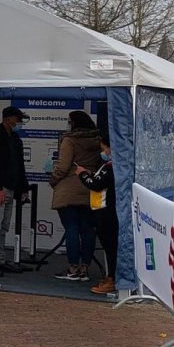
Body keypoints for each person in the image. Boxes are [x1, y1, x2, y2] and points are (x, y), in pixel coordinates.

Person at [50, 110, 103, 281]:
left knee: (71, 228)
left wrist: (53, 180)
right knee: (88, 230)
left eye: (69, 121)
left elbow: (63, 166)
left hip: (69, 189)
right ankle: (84, 268)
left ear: (74, 123)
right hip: (90, 187)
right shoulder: (97, 139)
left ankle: (72, 268)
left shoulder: (70, 140)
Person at [77, 134, 118, 294]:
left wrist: (82, 174)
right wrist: (90, 174)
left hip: (106, 212)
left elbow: (96, 184)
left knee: (110, 247)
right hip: (103, 210)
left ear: (110, 149)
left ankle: (112, 279)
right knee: (110, 247)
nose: (103, 152)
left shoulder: (110, 167)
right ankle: (111, 277)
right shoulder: (111, 166)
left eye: (103, 148)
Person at [0, 105, 29, 270]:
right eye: (17, 119)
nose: (19, 122)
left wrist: (23, 188)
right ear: (8, 119)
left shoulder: (15, 138)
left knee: (4, 226)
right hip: (1, 188)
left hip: (11, 186)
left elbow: (19, 165)